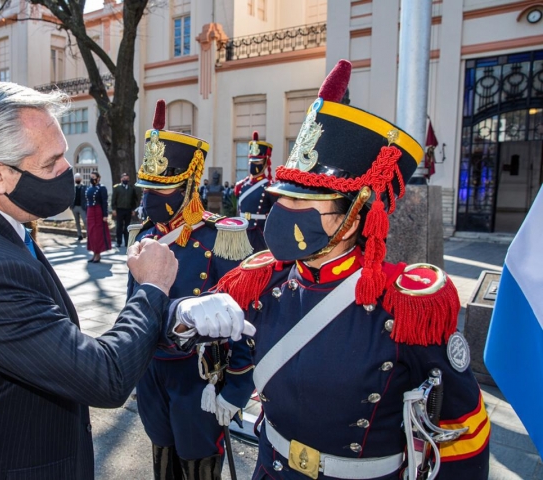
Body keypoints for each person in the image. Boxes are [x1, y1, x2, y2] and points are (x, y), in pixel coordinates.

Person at [0, 82, 249, 479]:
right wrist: (154, 288)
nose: (67, 170)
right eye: (51, 163)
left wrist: (179, 320)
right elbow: (105, 376)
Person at [207, 60, 490, 479]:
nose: (284, 212)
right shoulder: (264, 281)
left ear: (354, 218)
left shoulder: (406, 306)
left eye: (303, 204)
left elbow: (462, 433)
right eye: (284, 198)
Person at [128, 100, 255, 480]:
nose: (150, 198)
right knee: (162, 458)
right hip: (152, 373)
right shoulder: (143, 235)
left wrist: (237, 387)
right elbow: (132, 307)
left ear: (187, 187)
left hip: (198, 377)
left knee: (198, 462)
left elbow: (243, 317)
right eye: (146, 188)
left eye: (161, 189)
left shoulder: (221, 238)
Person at [234, 131, 274, 252]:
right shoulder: (241, 185)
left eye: (257, 162)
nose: (253, 166)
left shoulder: (269, 187)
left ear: (266, 163)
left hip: (259, 233)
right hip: (242, 231)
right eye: (251, 162)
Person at [85, 170, 111, 262]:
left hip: (98, 211)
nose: (92, 179)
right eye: (91, 177)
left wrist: (105, 214)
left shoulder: (102, 188)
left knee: (97, 233)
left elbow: (105, 202)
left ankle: (98, 253)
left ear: (98, 178)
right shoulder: (88, 188)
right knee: (91, 233)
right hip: (90, 211)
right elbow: (86, 202)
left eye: (94, 177)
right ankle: (93, 253)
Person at [111, 172, 139, 248]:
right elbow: (114, 199)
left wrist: (133, 210)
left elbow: (134, 200)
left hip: (128, 210)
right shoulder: (117, 188)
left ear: (128, 179)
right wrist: (113, 209)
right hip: (119, 210)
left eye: (126, 178)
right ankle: (119, 242)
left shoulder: (131, 188)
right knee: (119, 226)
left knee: (127, 227)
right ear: (121, 179)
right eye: (124, 178)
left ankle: (127, 242)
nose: (125, 179)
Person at [72, 172, 87, 240]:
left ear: (81, 179)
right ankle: (79, 235)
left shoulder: (84, 187)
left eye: (78, 178)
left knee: (85, 221)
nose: (77, 179)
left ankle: (89, 234)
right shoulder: (73, 188)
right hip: (74, 207)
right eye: (76, 178)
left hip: (82, 207)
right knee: (77, 222)